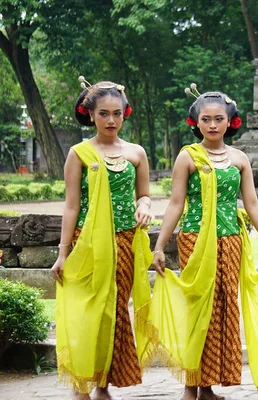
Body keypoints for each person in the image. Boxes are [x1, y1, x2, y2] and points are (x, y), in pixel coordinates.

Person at [148, 85, 258, 400]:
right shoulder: (188, 156)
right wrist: (159, 246)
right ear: (195, 122)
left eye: (219, 119)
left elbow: (251, 204)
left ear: (230, 122)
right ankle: (190, 385)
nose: (212, 125)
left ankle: (208, 385)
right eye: (206, 119)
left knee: (224, 310)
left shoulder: (239, 159)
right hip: (196, 240)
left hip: (231, 241)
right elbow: (175, 203)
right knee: (198, 308)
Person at [51, 77, 153, 400]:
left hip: (125, 243)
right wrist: (63, 252)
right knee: (88, 311)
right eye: (104, 114)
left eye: (117, 113)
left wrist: (145, 207)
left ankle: (103, 385)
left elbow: (145, 195)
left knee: (115, 310)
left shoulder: (136, 153)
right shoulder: (79, 154)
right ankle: (82, 386)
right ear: (90, 114)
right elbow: (71, 206)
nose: (111, 120)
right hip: (88, 243)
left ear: (125, 114)